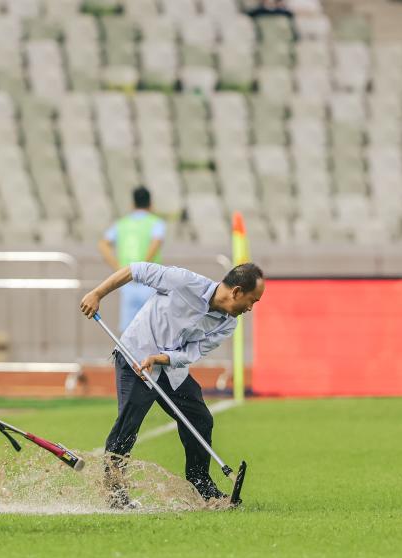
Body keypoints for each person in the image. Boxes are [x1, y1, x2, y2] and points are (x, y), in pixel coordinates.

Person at [78, 262, 265, 504]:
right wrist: (96, 294)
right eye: (252, 300)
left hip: (167, 367)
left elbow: (192, 351)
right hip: (135, 357)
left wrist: (161, 358)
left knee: (200, 419)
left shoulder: (228, 323)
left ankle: (201, 485)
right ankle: (115, 493)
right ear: (236, 291)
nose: (250, 308)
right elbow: (135, 270)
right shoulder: (183, 281)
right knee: (128, 426)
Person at [98, 186, 166, 333]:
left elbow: (103, 244)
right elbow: (156, 242)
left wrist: (118, 269)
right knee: (151, 327)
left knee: (129, 329)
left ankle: (129, 356)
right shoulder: (155, 222)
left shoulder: (122, 224)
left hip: (127, 280)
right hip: (149, 280)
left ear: (132, 204)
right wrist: (141, 268)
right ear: (150, 203)